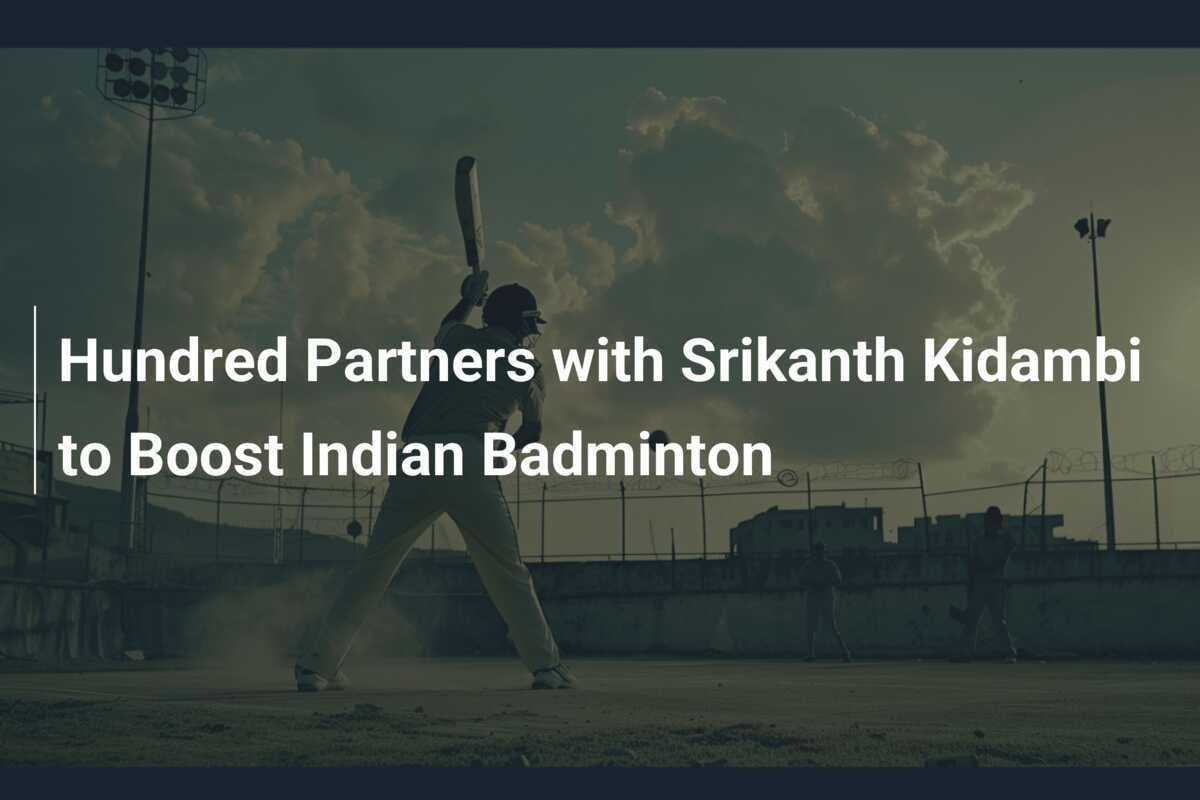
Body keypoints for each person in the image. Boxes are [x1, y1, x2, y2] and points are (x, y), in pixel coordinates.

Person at [294, 271, 576, 691]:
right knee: (506, 571)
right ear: (521, 323)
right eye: (529, 323)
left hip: (417, 456)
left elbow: (449, 323)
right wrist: (497, 453)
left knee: (374, 568)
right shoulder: (528, 366)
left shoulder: (456, 339)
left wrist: (469, 297)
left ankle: (316, 666)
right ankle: (546, 667)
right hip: (470, 455)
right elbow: (532, 431)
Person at [952, 505, 1018, 662]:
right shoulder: (978, 541)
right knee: (972, 620)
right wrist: (971, 586)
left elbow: (1010, 549)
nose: (992, 525)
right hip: (981, 584)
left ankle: (1009, 652)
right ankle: (965, 652)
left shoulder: (1003, 539)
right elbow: (973, 564)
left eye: (995, 522)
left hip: (996, 584)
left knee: (999, 621)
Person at [800, 541, 852, 662]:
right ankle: (811, 654)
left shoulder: (829, 565)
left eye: (820, 552)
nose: (818, 554)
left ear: (823, 552)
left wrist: (824, 582)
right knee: (810, 626)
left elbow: (838, 580)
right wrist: (812, 582)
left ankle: (845, 652)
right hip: (813, 598)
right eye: (816, 552)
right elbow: (801, 579)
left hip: (826, 598)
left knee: (831, 626)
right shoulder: (809, 565)